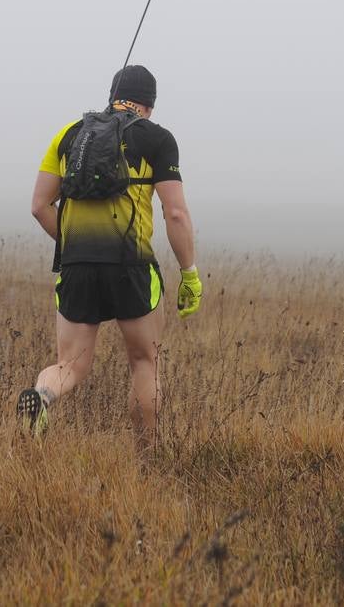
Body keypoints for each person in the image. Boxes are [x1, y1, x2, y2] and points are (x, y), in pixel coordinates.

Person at [17, 65, 202, 450]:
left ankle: (43, 396)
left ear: (113, 95)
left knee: (70, 364)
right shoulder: (157, 139)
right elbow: (176, 214)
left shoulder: (69, 136)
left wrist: (72, 249)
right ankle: (147, 456)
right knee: (143, 362)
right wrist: (190, 273)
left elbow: (39, 206)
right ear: (148, 105)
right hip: (131, 268)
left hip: (76, 267)